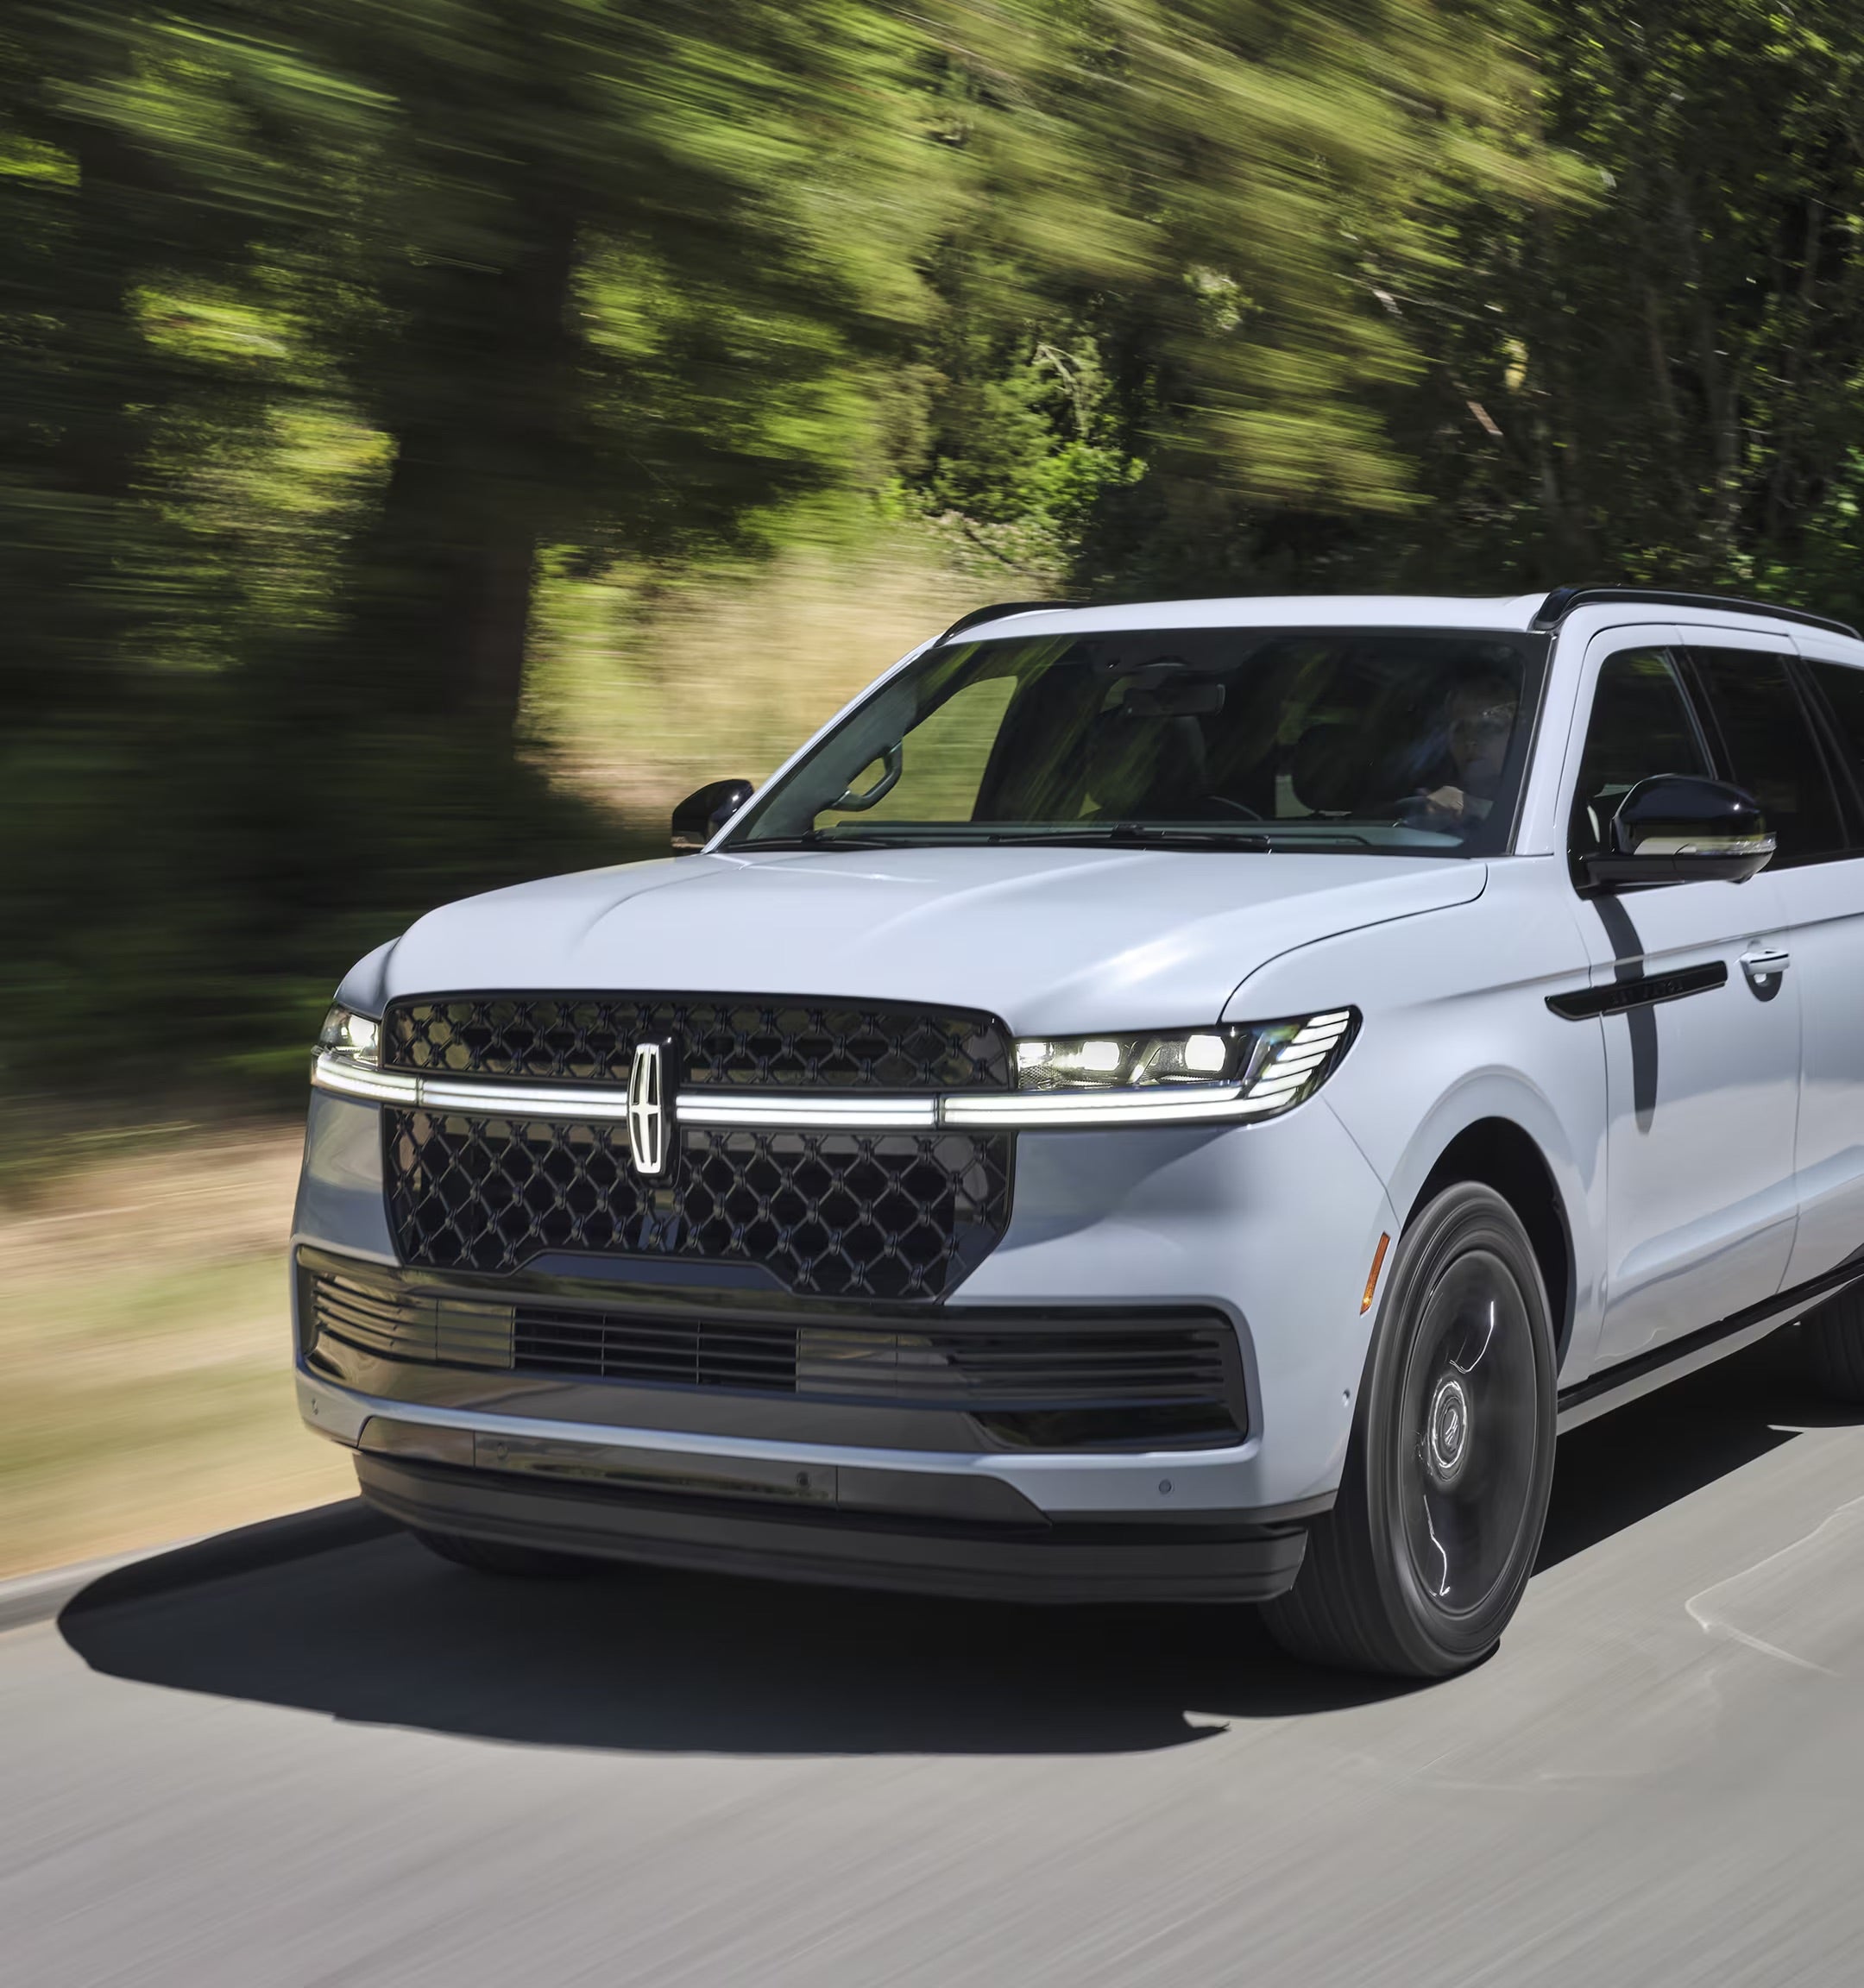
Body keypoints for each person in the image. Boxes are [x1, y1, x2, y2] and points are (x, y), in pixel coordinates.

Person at [1412, 672, 1518, 828]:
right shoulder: (1430, 802)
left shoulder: (1539, 799)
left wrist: (1471, 807)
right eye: (1460, 730)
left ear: (1514, 737)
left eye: (1487, 728)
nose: (1470, 740)